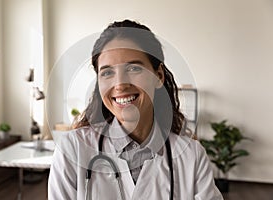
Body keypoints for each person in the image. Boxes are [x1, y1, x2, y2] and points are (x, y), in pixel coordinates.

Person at [48, 19, 223, 200]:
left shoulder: (192, 156)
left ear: (158, 76)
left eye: (133, 68)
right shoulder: (72, 149)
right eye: (107, 72)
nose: (120, 84)